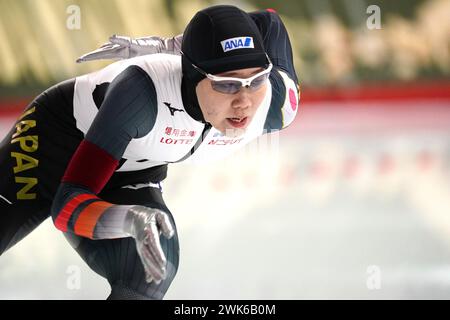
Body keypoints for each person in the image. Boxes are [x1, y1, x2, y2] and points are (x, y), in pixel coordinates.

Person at [0, 5, 299, 299]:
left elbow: (268, 21)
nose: (244, 102)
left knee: (150, 269)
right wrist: (125, 220)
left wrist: (172, 44)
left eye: (256, 80)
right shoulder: (142, 94)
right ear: (192, 75)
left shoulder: (276, 105)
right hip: (52, 142)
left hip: (132, 168)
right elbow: (67, 208)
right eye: (227, 84)